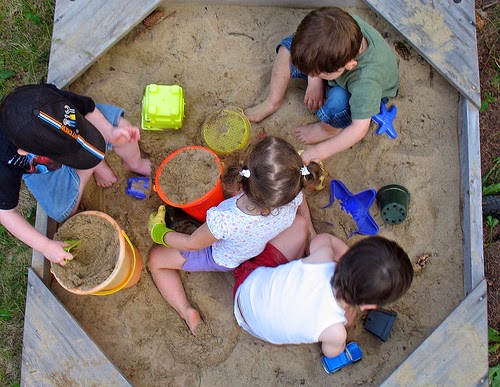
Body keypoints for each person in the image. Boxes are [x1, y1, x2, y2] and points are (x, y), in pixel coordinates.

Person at [147, 136, 323, 335]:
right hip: (260, 242)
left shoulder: (225, 219)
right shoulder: (293, 196)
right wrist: (310, 230)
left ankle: (186, 310)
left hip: (222, 258)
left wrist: (160, 233)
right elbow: (300, 204)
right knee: (299, 223)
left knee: (155, 260)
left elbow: (191, 242)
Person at [0, 83, 151, 266]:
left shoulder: (46, 100)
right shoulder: (5, 160)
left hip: (79, 127)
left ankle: (134, 163)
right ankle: (91, 165)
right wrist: (46, 246)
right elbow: (6, 213)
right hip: (43, 169)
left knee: (124, 130)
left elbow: (88, 109)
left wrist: (110, 132)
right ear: (23, 151)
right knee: (62, 210)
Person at [245, 7, 399, 165]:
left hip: (354, 88)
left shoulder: (366, 82)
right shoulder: (339, 26)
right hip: (332, 66)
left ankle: (328, 130)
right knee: (287, 49)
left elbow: (358, 129)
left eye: (317, 74)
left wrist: (318, 151)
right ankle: (273, 101)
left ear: (349, 65)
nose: (312, 75)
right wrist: (314, 81)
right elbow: (311, 45)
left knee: (337, 102)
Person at [233, 225, 413, 358]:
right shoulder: (335, 330)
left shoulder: (322, 257)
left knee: (300, 227)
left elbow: (324, 239)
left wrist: (346, 256)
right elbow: (332, 353)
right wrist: (346, 325)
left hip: (247, 288)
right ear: (368, 305)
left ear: (348, 256)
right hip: (257, 326)